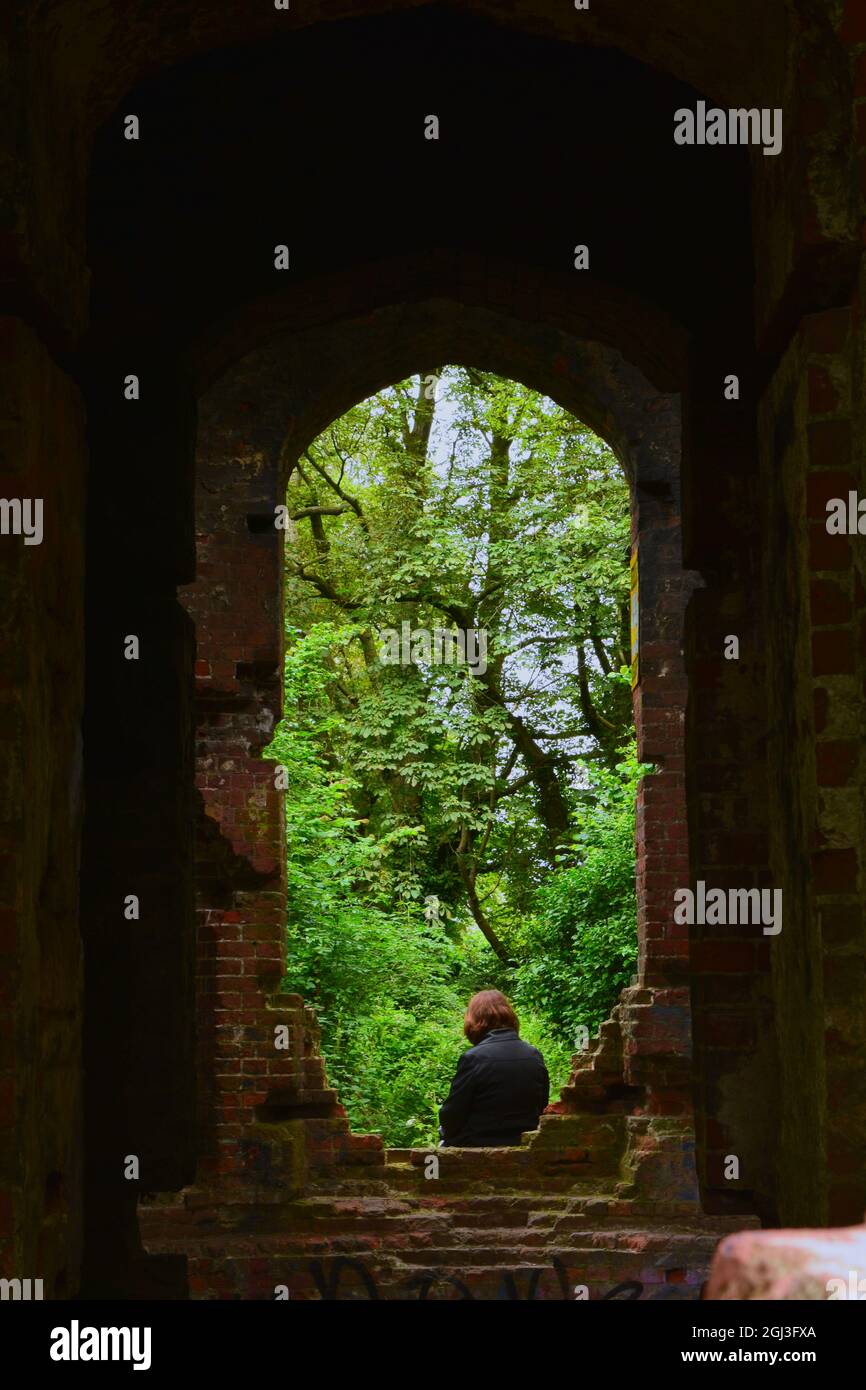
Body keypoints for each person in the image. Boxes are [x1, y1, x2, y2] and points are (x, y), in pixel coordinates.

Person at [438, 990, 550, 1147]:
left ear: (474, 1021)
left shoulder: (473, 1058)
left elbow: (451, 1116)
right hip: (525, 1143)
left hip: (478, 1144)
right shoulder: (534, 1055)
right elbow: (542, 1106)